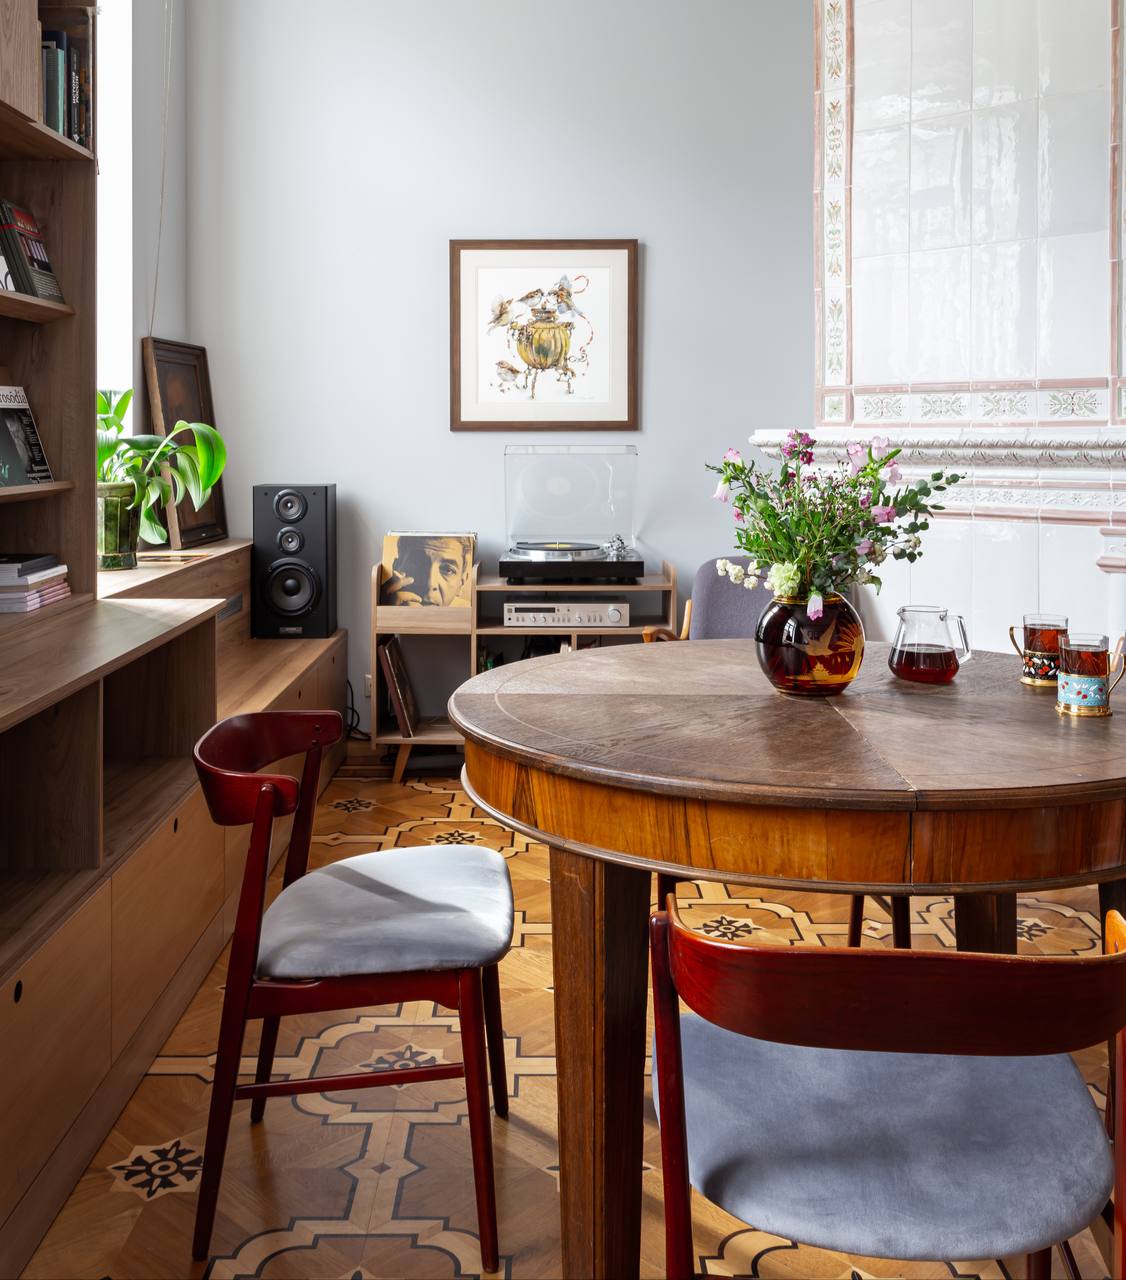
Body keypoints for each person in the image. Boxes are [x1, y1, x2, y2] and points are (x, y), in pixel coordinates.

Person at [386, 534, 473, 606]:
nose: (429, 584)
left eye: (448, 570)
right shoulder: (383, 605)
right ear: (396, 567)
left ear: (461, 583)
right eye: (418, 564)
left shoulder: (471, 616)